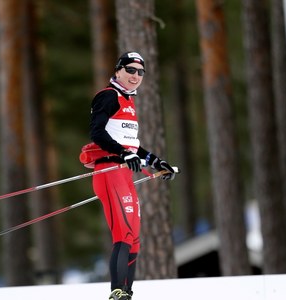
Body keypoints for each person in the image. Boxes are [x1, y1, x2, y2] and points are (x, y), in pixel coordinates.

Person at [79, 51, 176, 300]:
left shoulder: (129, 102)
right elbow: (97, 133)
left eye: (140, 72)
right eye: (130, 70)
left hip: (124, 174)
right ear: (118, 70)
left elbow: (133, 147)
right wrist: (123, 154)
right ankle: (117, 292)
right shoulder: (108, 96)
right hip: (109, 172)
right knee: (122, 235)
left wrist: (156, 161)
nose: (135, 76)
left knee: (134, 239)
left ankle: (127, 293)